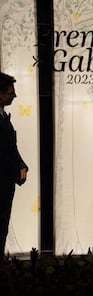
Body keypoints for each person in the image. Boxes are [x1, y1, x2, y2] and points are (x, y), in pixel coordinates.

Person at [0, 72, 28, 262]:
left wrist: (21, 165)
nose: (14, 96)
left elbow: (12, 148)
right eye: (10, 92)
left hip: (6, 182)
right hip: (1, 181)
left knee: (2, 225)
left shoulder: (3, 116)